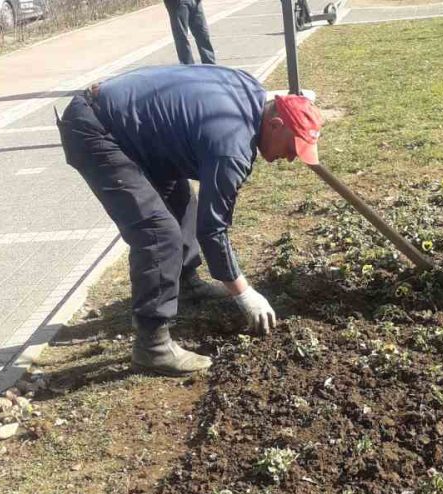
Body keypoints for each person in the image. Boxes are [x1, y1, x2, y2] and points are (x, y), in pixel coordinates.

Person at [56, 65, 324, 376]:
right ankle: (152, 346)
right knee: (158, 234)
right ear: (276, 124)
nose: (291, 158)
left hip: (133, 125)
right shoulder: (232, 149)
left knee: (181, 201)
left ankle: (186, 283)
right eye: (292, 147)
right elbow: (213, 230)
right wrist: (244, 293)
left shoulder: (252, 90)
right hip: (98, 132)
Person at [164, 0, 217, 65]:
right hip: (177, 3)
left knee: (203, 33)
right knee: (181, 37)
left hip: (195, 2)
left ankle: (210, 65)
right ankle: (188, 65)